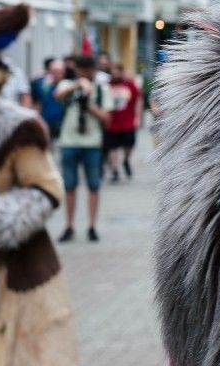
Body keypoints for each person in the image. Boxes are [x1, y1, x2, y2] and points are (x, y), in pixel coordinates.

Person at [53, 54, 118, 242]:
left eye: (88, 71)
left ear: (93, 71)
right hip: (69, 141)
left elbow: (107, 120)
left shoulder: (101, 89)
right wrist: (77, 85)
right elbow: (57, 95)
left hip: (92, 143)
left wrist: (88, 105)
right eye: (81, 71)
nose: (85, 74)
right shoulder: (67, 85)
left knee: (93, 186)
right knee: (70, 186)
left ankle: (91, 226)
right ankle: (69, 225)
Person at [103, 60, 143, 182]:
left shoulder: (129, 84)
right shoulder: (106, 86)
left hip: (127, 121)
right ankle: (115, 170)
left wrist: (138, 117)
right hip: (111, 123)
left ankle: (126, 160)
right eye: (113, 72)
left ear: (121, 72)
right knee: (112, 147)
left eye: (117, 71)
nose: (115, 74)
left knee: (129, 145)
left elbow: (138, 100)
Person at [29, 57, 66, 135]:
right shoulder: (40, 84)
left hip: (63, 124)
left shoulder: (67, 86)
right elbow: (35, 103)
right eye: (55, 72)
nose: (57, 75)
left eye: (60, 72)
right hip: (44, 122)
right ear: (49, 71)